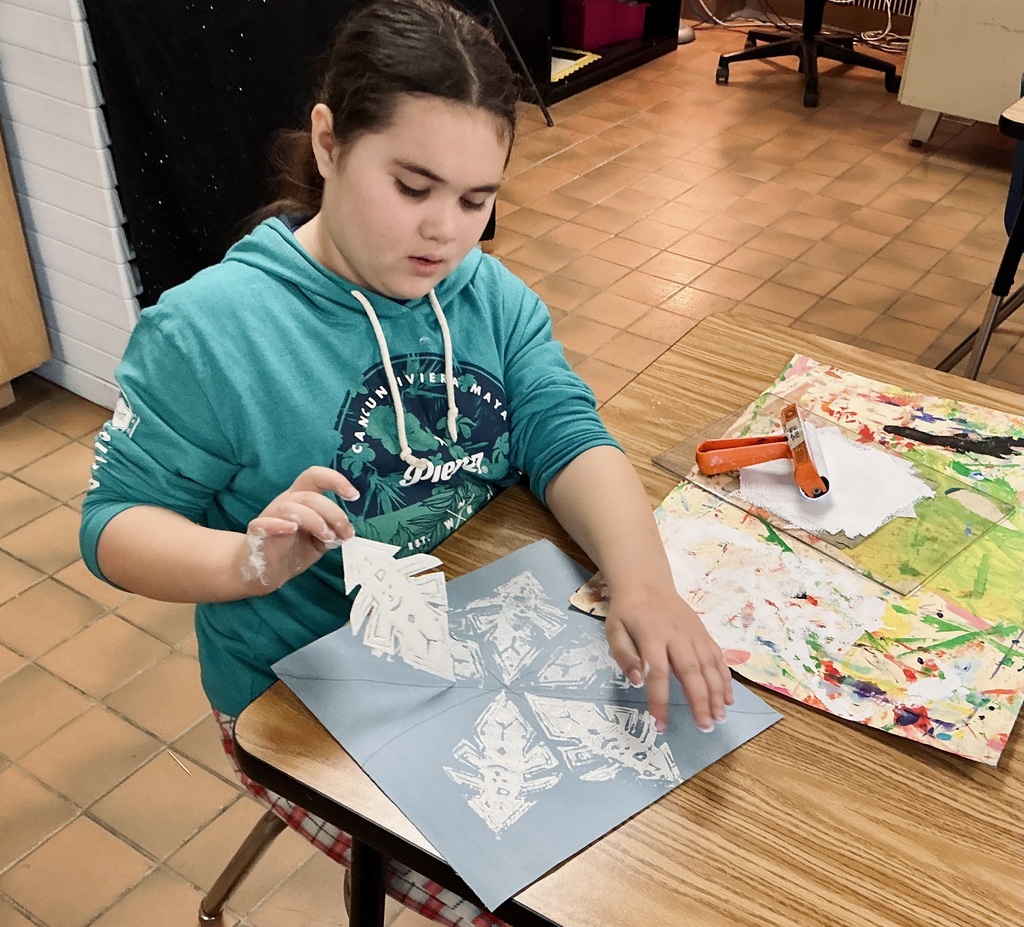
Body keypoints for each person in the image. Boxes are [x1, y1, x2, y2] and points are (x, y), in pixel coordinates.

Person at [80, 0, 732, 922]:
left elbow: (564, 433)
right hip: (299, 693)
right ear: (329, 142)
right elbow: (112, 524)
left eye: (475, 199)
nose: (446, 234)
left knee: (677, 850)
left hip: (475, 640)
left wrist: (643, 582)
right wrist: (244, 562)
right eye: (413, 187)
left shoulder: (488, 296)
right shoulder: (209, 333)